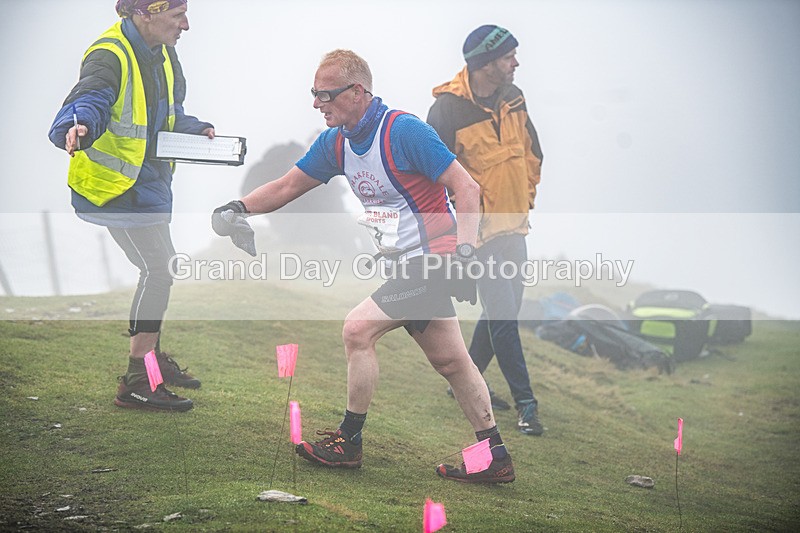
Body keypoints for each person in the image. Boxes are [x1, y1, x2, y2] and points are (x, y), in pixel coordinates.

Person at [212, 49, 515, 483]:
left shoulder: (404, 131)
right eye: (314, 95)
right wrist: (237, 207)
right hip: (406, 263)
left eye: (325, 95)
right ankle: (495, 457)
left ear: (357, 92)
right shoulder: (336, 142)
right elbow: (288, 185)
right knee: (452, 362)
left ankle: (348, 442)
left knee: (358, 329)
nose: (317, 103)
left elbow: (467, 187)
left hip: (435, 258)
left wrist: (465, 255)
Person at [48, 0, 213, 412]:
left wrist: (196, 130)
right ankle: (139, 380)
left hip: (149, 185)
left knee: (161, 267)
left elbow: (166, 113)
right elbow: (90, 98)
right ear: (146, 13)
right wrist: (78, 124)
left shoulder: (164, 54)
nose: (186, 25)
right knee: (158, 270)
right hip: (115, 189)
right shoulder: (110, 53)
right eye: (177, 16)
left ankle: (150, 361)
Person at [427, 25, 545, 436]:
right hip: (478, 238)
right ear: (485, 63)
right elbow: (434, 180)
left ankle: (467, 376)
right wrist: (455, 239)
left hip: (516, 228)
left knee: (501, 314)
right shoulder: (446, 110)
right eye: (509, 56)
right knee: (505, 319)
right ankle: (527, 405)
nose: (516, 62)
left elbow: (533, 153)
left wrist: (524, 197)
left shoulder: (514, 97)